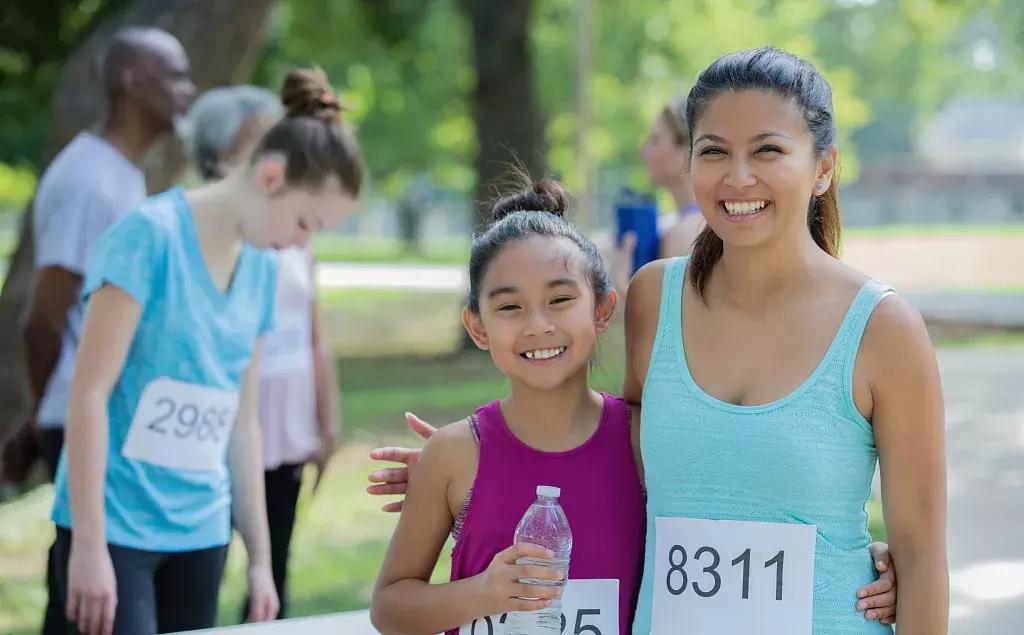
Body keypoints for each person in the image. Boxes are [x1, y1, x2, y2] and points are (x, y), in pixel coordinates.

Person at [624, 48, 947, 633]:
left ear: (823, 168)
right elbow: (604, 450)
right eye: (714, 151)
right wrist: (475, 463)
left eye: (768, 150)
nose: (738, 176)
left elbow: (922, 557)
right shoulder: (650, 301)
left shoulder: (883, 328)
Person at [51, 67, 363, 635]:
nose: (302, 244)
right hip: (115, 530)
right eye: (304, 222)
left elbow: (242, 426)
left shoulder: (265, 269)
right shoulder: (148, 236)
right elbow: (89, 395)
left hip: (201, 534)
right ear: (270, 177)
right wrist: (89, 547)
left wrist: (262, 563)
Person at [371, 179, 644, 635]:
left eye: (560, 300)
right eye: (510, 307)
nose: (538, 325)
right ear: (477, 327)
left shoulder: (642, 439)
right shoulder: (455, 453)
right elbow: (390, 607)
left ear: (602, 309)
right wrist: (485, 593)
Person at [0, 27, 195, 635]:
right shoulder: (90, 181)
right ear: (133, 82)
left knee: (78, 605)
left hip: (102, 413)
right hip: (80, 416)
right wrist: (42, 414)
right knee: (88, 602)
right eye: (175, 76)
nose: (189, 92)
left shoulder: (121, 174)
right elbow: (45, 317)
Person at [187, 84, 341, 621]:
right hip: (222, 411)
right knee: (205, 556)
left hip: (284, 412)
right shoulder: (205, 229)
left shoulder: (296, 229)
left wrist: (328, 418)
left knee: (275, 561)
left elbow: (316, 330)